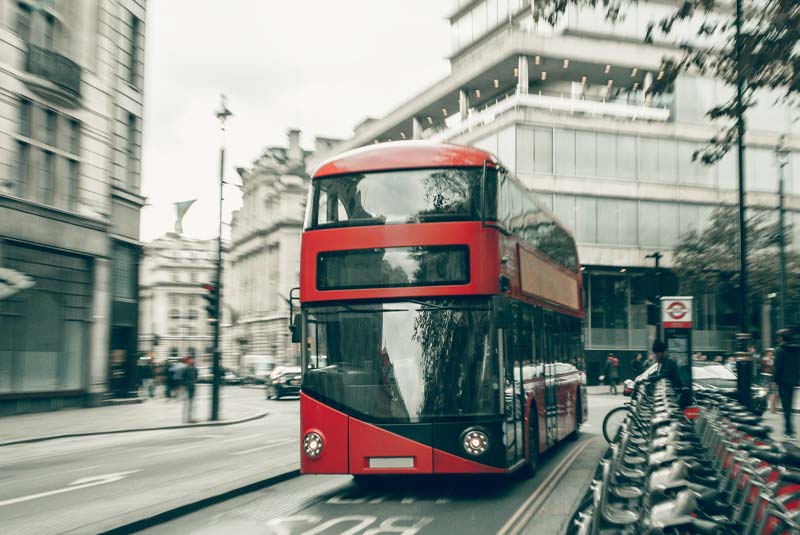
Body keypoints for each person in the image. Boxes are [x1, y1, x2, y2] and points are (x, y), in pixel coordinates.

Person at [774, 328, 800, 438]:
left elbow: (777, 367)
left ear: (782, 338)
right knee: (789, 405)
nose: (778, 339)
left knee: (786, 407)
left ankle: (788, 431)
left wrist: (774, 381)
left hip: (782, 382)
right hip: (792, 380)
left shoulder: (779, 350)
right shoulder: (797, 349)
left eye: (779, 337)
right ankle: (790, 430)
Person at [183, 356, 198, 423]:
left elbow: (196, 377)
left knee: (192, 403)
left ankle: (191, 418)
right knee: (189, 403)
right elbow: (184, 377)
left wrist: (194, 382)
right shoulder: (187, 369)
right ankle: (189, 418)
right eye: (190, 360)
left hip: (193, 386)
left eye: (192, 360)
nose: (192, 361)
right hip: (189, 387)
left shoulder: (195, 368)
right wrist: (187, 384)